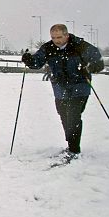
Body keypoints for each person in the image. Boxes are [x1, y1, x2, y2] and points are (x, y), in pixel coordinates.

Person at [21, 23, 104, 160]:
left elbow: (98, 63)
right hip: (60, 87)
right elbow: (37, 62)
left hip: (80, 86)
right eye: (53, 37)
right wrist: (29, 60)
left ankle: (74, 150)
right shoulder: (48, 48)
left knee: (73, 116)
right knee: (64, 115)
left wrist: (88, 68)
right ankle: (71, 144)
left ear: (67, 35)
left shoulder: (80, 46)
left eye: (59, 37)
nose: (56, 40)